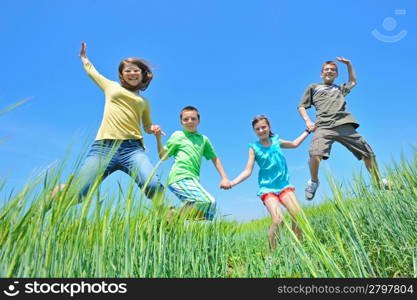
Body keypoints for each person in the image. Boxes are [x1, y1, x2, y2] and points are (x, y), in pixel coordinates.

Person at [54, 42, 164, 203]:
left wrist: (152, 128)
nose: (132, 73)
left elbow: (146, 125)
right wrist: (84, 58)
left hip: (132, 150)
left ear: (142, 74)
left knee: (153, 186)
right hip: (103, 148)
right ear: (121, 75)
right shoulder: (111, 87)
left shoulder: (144, 101)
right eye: (127, 71)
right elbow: (93, 73)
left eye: (136, 70)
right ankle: (55, 195)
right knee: (79, 194)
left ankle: (167, 217)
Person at [298, 57, 383, 200]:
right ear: (321, 74)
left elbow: (353, 82)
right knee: (314, 153)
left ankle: (379, 182)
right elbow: (301, 106)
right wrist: (307, 121)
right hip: (324, 126)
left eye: (333, 70)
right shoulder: (313, 88)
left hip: (344, 124)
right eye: (326, 69)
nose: (329, 71)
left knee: (368, 153)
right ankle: (313, 181)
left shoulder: (339, 89)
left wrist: (349, 64)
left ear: (336, 74)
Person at [228, 115, 308, 251]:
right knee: (278, 220)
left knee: (298, 214)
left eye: (263, 127)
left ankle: (298, 249)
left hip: (284, 186)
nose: (261, 130)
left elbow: (294, 144)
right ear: (254, 131)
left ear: (269, 127)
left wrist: (308, 131)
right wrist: (232, 183)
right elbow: (247, 171)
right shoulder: (254, 148)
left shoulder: (276, 141)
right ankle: (271, 254)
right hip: (268, 189)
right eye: (257, 129)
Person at [156, 106, 230, 221]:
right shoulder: (178, 135)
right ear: (181, 122)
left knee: (208, 210)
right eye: (186, 119)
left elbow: (214, 158)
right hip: (179, 177)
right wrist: (158, 138)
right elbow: (163, 156)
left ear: (198, 121)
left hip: (193, 180)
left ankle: (172, 218)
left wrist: (224, 177)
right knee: (209, 201)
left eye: (193, 118)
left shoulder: (203, 139)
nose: (189, 121)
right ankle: (173, 215)